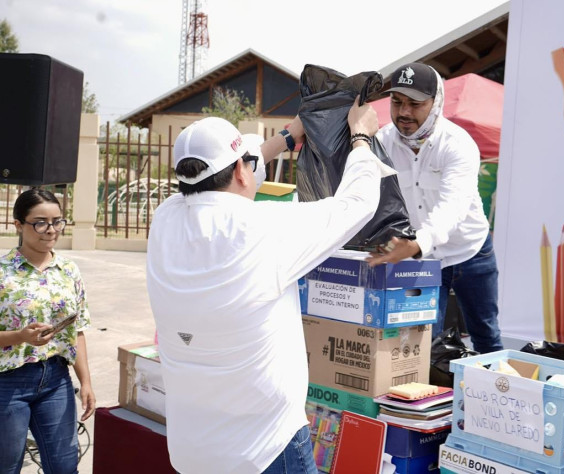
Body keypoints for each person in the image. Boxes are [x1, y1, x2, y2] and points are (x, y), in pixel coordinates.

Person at [146, 101, 387, 474]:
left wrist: (287, 138)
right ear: (242, 170)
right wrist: (360, 138)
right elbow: (357, 203)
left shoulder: (164, 219)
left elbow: (225, 177)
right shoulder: (263, 227)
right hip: (264, 449)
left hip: (192, 449)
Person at [368, 62, 503, 354]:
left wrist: (416, 244)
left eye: (415, 104)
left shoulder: (458, 144)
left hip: (470, 250)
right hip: (422, 256)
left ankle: (490, 396)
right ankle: (431, 399)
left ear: (436, 102)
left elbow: (451, 207)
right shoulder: (382, 142)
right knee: (426, 341)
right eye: (397, 102)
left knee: (486, 336)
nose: (404, 113)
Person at [0, 188, 95, 473]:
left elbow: (77, 331)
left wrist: (86, 381)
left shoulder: (68, 269)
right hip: (8, 383)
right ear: (18, 225)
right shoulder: (3, 272)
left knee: (64, 466)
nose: (50, 230)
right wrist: (20, 337)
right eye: (40, 222)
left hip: (55, 380)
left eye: (57, 221)